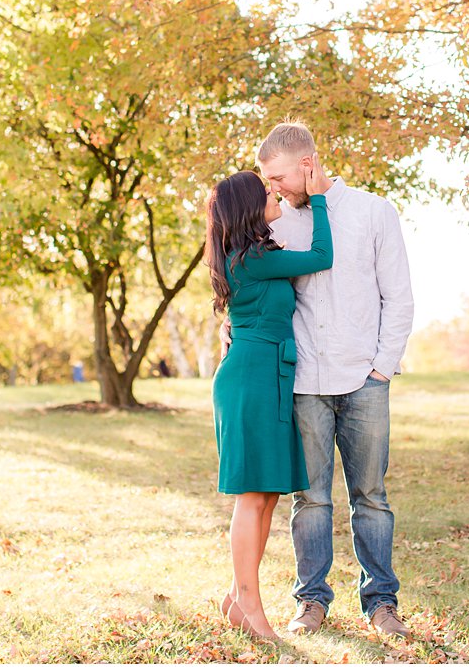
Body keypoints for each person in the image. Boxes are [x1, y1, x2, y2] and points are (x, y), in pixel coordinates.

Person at [257, 122, 415, 640]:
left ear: (307, 164)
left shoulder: (374, 212)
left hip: (364, 380)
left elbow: (399, 297)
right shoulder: (277, 225)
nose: (273, 187)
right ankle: (311, 601)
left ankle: (381, 601)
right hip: (305, 383)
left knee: (370, 495)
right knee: (311, 500)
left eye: (278, 176)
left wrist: (381, 369)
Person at [206, 163, 334, 640]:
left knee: (268, 495)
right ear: (249, 208)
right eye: (266, 191)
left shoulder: (252, 255)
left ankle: (236, 597)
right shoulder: (252, 258)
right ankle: (251, 605)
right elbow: (322, 254)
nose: (273, 193)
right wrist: (319, 198)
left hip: (271, 376)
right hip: (251, 380)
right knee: (252, 496)